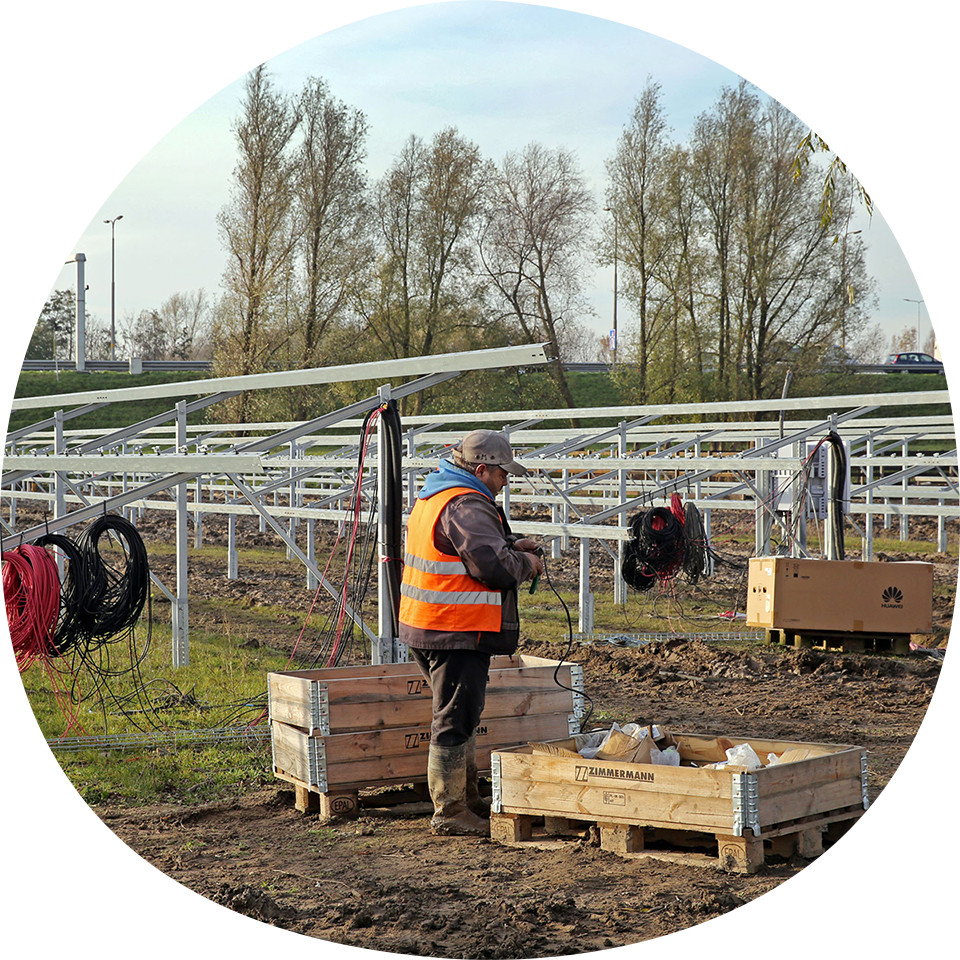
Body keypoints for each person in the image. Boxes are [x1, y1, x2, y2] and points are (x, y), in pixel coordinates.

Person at [399, 429, 544, 836]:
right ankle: (449, 811)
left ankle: (467, 797)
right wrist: (525, 564)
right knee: (454, 717)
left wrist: (512, 543)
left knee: (460, 713)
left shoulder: (439, 495)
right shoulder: (467, 504)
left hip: (431, 624)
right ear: (482, 469)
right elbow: (490, 567)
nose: (505, 481)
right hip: (455, 629)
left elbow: (467, 548)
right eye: (502, 474)